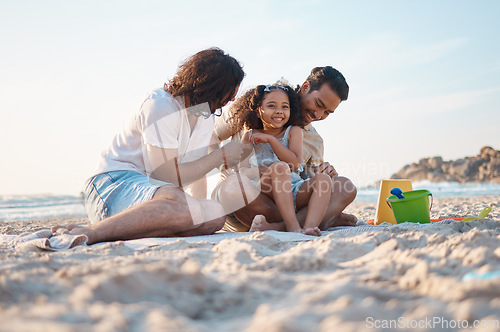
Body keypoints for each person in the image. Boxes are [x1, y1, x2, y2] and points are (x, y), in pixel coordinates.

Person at [53, 48, 249, 244]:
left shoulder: (204, 117)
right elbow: (164, 176)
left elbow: (196, 173)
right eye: (230, 91)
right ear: (212, 86)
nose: (232, 99)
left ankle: (154, 224)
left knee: (214, 215)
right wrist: (219, 157)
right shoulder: (161, 105)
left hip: (162, 198)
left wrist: (199, 212)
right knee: (183, 202)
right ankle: (93, 232)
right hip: (113, 184)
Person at [213, 66, 358, 231]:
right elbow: (212, 135)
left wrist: (326, 173)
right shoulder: (257, 103)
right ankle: (326, 220)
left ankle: (282, 226)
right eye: (318, 104)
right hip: (249, 200)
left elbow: (306, 184)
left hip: (288, 200)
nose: (318, 115)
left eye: (327, 112)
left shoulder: (314, 139)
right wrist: (222, 168)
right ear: (305, 87)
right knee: (233, 187)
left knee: (345, 187)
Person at [230, 84, 333, 236]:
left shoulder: (294, 131)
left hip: (293, 187)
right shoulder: (251, 134)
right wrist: (263, 171)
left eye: (285, 107)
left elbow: (294, 163)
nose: (279, 111)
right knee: (280, 168)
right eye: (271, 106)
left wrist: (272, 140)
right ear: (258, 111)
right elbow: (242, 169)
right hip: (265, 189)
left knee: (324, 180)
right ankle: (292, 226)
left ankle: (309, 227)